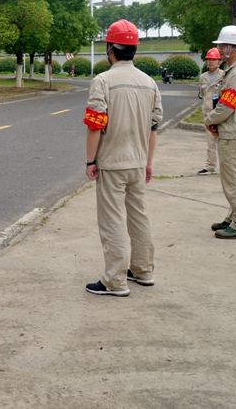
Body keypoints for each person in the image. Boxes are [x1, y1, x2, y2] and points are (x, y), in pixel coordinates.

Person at [82, 20, 163, 297]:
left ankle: (115, 280)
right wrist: (148, 162)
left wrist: (90, 161)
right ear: (134, 50)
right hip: (138, 162)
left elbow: (94, 124)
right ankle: (143, 270)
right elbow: (154, 127)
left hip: (112, 162)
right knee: (139, 216)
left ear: (110, 49)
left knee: (113, 219)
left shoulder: (102, 81)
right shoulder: (149, 83)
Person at [203, 25, 236, 240]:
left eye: (224, 45)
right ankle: (233, 216)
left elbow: (227, 106)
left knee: (234, 180)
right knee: (231, 178)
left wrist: (210, 120)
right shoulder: (234, 71)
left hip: (234, 133)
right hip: (230, 130)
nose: (221, 50)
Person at [196, 48, 224, 176]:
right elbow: (202, 94)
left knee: (224, 142)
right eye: (209, 59)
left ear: (219, 61)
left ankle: (226, 168)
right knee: (210, 143)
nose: (211, 62)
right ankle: (210, 166)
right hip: (208, 113)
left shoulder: (224, 76)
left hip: (222, 113)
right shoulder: (203, 77)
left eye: (214, 59)